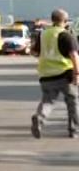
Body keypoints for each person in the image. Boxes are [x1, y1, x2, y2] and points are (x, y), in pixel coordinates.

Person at [30, 8, 78, 139]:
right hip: (64, 74)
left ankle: (39, 118)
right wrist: (77, 74)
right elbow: (74, 55)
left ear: (52, 20)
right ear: (65, 21)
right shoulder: (66, 35)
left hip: (46, 75)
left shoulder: (43, 34)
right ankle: (73, 130)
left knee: (48, 101)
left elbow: (33, 52)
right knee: (72, 102)